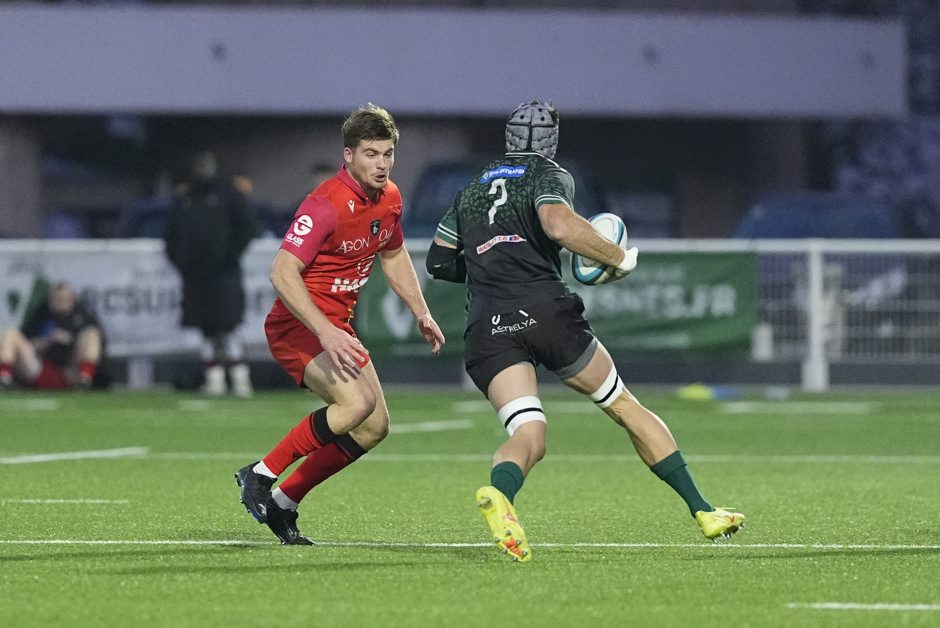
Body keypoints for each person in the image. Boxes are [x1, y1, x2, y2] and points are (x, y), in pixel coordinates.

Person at [426, 100, 745, 562]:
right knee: (623, 404)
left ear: (507, 136)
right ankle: (703, 510)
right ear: (552, 140)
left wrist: (488, 269)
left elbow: (439, 262)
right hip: (546, 314)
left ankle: (502, 495)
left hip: (488, 326)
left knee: (529, 432)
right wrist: (618, 258)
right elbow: (557, 224)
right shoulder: (548, 173)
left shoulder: (472, 187)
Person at [234, 104, 444, 545]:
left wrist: (420, 311)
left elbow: (393, 254)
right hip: (298, 326)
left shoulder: (390, 198)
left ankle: (284, 502)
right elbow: (282, 272)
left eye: (388, 154)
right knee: (355, 405)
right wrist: (325, 331)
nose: (382, 164)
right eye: (371, 154)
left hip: (336, 327)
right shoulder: (324, 204)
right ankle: (260, 474)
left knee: (373, 426)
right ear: (348, 155)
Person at [164, 150, 259, 398]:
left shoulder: (230, 195)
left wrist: (228, 257)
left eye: (207, 164)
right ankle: (214, 379)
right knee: (205, 329)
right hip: (195, 277)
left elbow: (248, 228)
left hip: (224, 274)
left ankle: (240, 379)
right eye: (199, 165)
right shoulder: (186, 197)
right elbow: (171, 236)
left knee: (228, 327)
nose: (203, 169)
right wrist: (183, 263)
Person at [0, 282, 103, 391]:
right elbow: (26, 338)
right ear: (50, 300)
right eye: (58, 299)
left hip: (70, 370)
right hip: (39, 367)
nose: (62, 302)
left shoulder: (82, 316)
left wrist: (69, 340)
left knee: (92, 333)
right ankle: (4, 379)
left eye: (65, 299)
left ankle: (84, 382)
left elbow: (97, 343)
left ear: (72, 299)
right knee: (10, 334)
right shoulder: (41, 314)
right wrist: (44, 341)